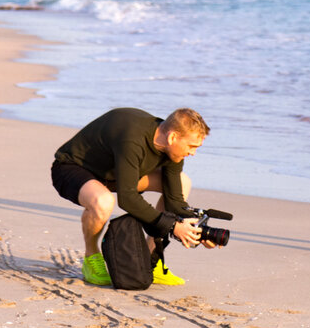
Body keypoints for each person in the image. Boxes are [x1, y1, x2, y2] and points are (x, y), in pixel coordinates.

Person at [51, 107, 214, 286]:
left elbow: (174, 200)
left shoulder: (171, 149)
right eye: (191, 146)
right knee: (103, 201)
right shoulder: (132, 139)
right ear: (173, 137)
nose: (193, 153)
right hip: (73, 168)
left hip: (116, 175)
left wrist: (197, 230)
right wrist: (172, 226)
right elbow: (127, 198)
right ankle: (91, 257)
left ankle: (152, 260)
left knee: (183, 182)